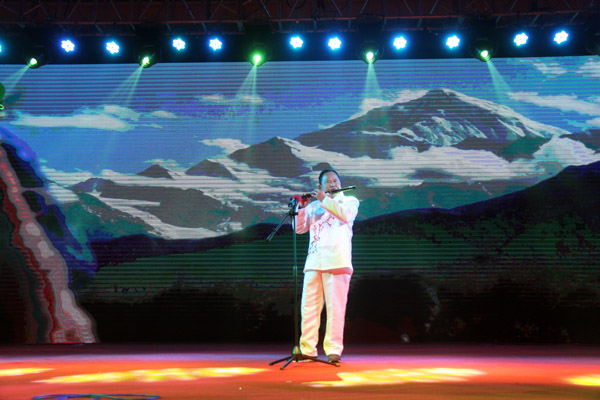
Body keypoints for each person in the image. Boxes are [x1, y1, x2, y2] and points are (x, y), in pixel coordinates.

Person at [294, 169, 359, 364]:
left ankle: (333, 350)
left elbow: (344, 216)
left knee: (335, 308)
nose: (333, 184)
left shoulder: (349, 201)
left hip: (337, 261)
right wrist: (302, 208)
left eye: (335, 180)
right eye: (328, 181)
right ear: (320, 186)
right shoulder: (314, 206)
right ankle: (307, 349)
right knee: (309, 308)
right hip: (314, 261)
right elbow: (299, 229)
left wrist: (324, 200)